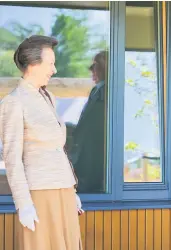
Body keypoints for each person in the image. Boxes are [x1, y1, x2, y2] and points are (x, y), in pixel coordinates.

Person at [0, 35, 83, 250]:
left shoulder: (49, 97)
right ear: (33, 64)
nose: (54, 70)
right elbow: (12, 159)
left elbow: (58, 149)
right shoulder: (13, 102)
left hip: (63, 188)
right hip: (40, 193)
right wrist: (23, 204)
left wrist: (71, 191)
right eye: (51, 63)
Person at [68, 51, 107, 193]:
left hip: (95, 159)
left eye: (95, 65)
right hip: (85, 157)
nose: (91, 70)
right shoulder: (97, 91)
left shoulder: (106, 92)